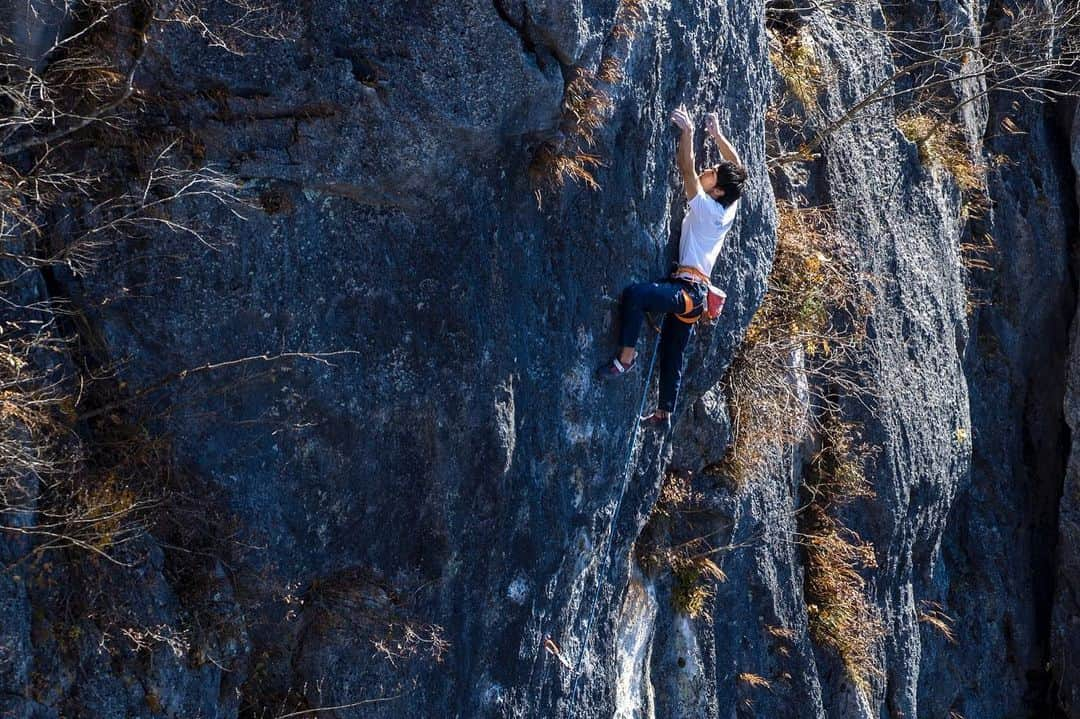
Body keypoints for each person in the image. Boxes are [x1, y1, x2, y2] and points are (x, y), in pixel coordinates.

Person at [596, 105, 747, 430]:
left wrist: (690, 134)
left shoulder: (709, 210)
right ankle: (665, 412)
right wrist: (718, 136)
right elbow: (737, 165)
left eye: (713, 173)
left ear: (717, 190)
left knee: (636, 296)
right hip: (695, 294)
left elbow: (686, 168)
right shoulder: (728, 206)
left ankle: (626, 359)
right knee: (672, 352)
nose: (708, 169)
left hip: (688, 291)